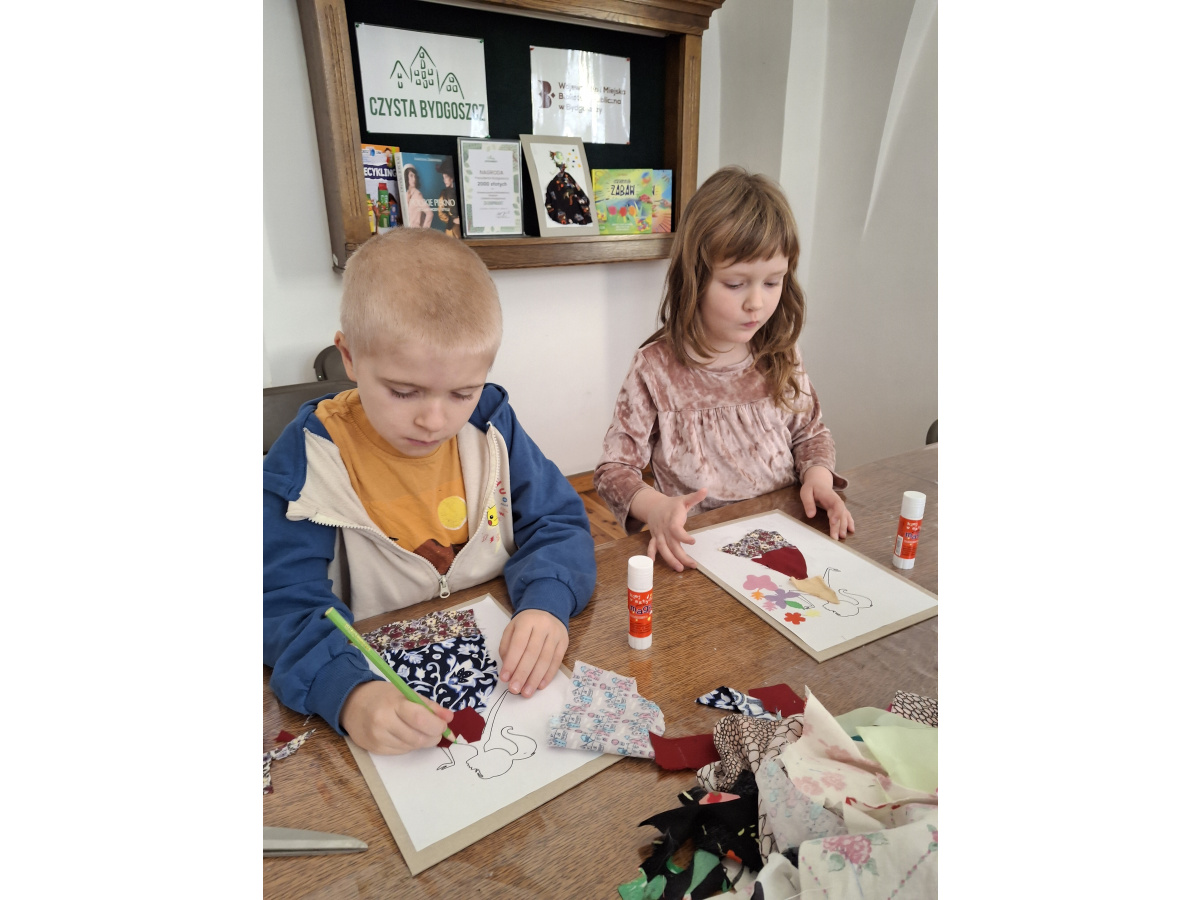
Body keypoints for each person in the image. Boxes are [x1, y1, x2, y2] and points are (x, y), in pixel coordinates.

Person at [264, 228, 596, 755]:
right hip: (371, 684)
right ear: (349, 357)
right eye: (403, 391)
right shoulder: (307, 460)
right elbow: (280, 602)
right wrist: (349, 694)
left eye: (463, 392)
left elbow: (557, 522)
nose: (434, 420)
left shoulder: (492, 425)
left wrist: (547, 603)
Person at [594, 166, 854, 572]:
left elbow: (810, 433)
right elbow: (615, 470)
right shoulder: (655, 368)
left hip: (787, 531)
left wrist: (818, 478)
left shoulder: (781, 351)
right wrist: (656, 507)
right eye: (736, 284)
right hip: (700, 549)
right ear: (694, 278)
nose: (757, 303)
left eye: (773, 282)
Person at [437, 157, 462, 238]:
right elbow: (441, 213)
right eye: (443, 177)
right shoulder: (444, 194)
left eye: (446, 177)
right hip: (451, 231)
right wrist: (452, 220)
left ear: (452, 178)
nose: (444, 180)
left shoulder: (460, 191)